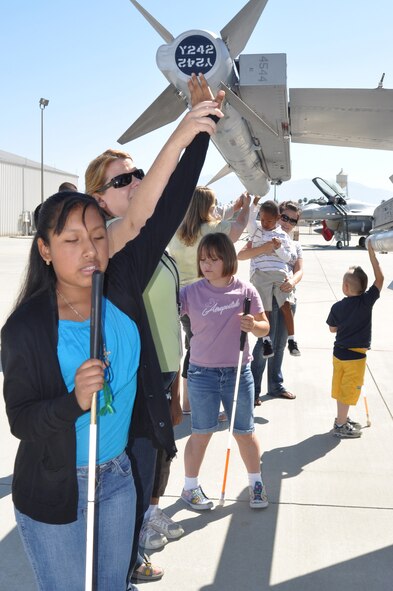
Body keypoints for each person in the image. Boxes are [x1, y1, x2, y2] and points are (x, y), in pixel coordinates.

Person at [1, 86, 223, 591]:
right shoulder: (27, 327)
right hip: (59, 487)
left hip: (119, 477)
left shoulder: (119, 281)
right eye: (72, 241)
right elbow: (22, 421)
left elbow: (160, 207)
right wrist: (74, 400)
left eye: (98, 237)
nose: (90, 251)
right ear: (45, 250)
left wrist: (196, 127)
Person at [85, 74, 222, 588]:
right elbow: (169, 199)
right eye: (123, 180)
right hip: (113, 407)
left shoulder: (145, 250)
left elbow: (169, 201)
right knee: (124, 504)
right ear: (98, 200)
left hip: (151, 382)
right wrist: (196, 127)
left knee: (146, 486)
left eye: (138, 172)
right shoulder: (104, 256)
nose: (137, 181)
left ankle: (129, 559)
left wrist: (174, 376)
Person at [179, 232, 270, 511]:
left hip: (238, 373)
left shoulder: (245, 291)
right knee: (201, 432)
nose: (206, 264)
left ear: (228, 259)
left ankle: (256, 483)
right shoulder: (190, 292)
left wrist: (253, 324)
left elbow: (265, 327)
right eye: (203, 259)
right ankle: (190, 487)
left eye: (213, 259)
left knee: (244, 432)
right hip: (201, 374)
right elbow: (166, 312)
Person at [168, 186, 251, 413]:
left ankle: (186, 401)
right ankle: (197, 402)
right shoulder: (215, 229)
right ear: (208, 208)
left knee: (191, 347)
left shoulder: (177, 230)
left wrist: (232, 207)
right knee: (205, 352)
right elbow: (240, 225)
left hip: (181, 298)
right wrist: (245, 207)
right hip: (207, 297)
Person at [239, 201, 304, 403]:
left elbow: (299, 269)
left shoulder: (293, 243)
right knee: (263, 342)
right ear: (278, 215)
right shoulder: (261, 233)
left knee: (281, 342)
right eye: (285, 217)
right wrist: (267, 247)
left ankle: (275, 385)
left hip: (285, 295)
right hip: (265, 292)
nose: (287, 223)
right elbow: (242, 254)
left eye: (292, 220)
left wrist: (292, 282)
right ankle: (254, 390)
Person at [326, 241, 383, 438]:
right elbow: (380, 278)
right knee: (348, 391)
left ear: (346, 286)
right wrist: (371, 252)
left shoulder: (337, 307)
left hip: (339, 354)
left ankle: (341, 419)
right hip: (355, 357)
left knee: (342, 387)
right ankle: (341, 424)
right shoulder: (367, 302)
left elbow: (332, 329)